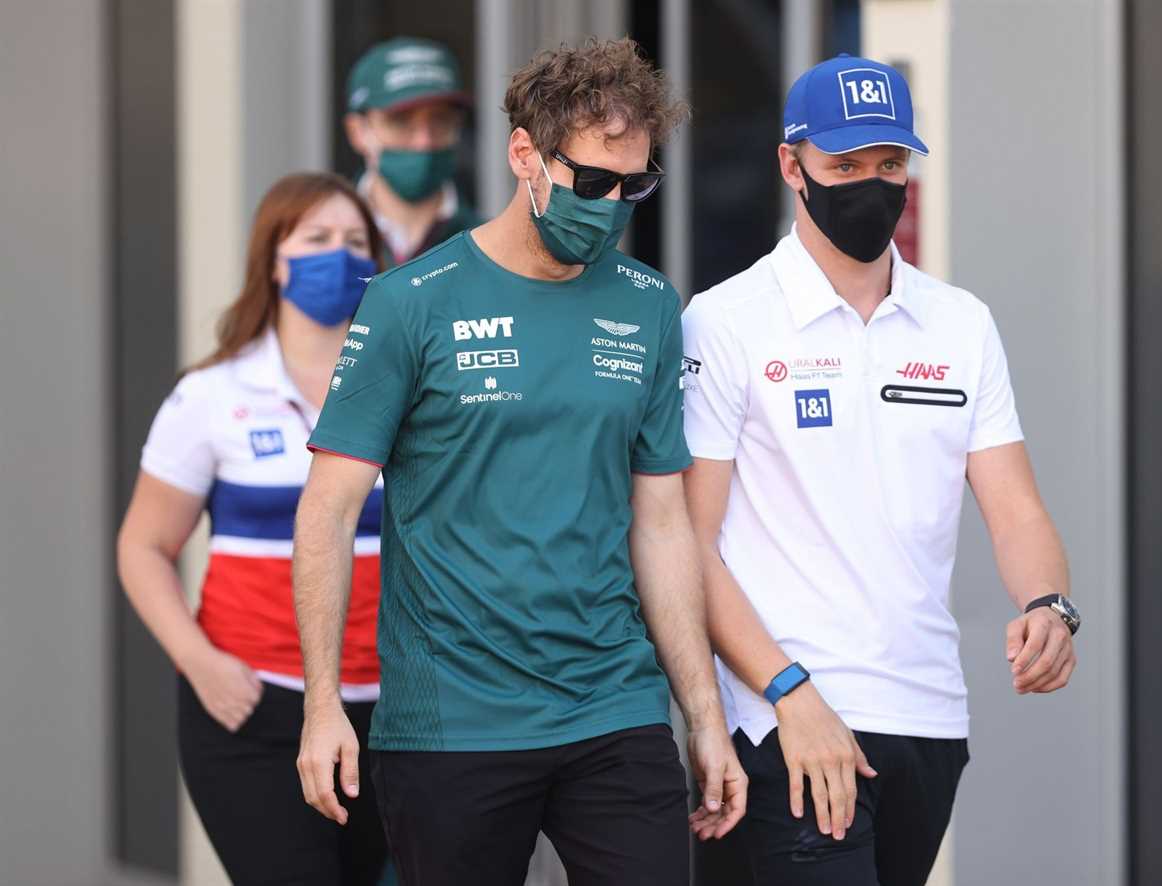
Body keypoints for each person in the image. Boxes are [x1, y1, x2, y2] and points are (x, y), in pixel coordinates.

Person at [293, 37, 747, 886]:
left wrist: (705, 716)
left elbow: (662, 525)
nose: (612, 207)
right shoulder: (407, 305)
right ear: (524, 156)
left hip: (615, 704)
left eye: (634, 186)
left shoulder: (649, 307)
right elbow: (327, 507)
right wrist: (324, 707)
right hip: (454, 722)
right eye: (593, 182)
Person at [682, 55, 1081, 886]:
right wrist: (788, 693)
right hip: (786, 720)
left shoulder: (960, 323)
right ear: (791, 166)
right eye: (845, 167)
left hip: (928, 716)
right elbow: (690, 543)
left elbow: (1016, 511)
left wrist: (1048, 604)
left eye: (889, 165)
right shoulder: (724, 323)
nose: (872, 184)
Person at [117, 173, 390, 885]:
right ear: (274, 258)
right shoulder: (211, 395)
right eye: (317, 239)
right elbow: (143, 547)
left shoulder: (406, 391)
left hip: (395, 716)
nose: (339, 254)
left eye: (355, 241)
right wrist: (199, 663)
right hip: (253, 709)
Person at [344, 37, 480, 267]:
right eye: (400, 121)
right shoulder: (325, 244)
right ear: (357, 132)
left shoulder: (489, 247)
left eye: (441, 120)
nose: (423, 141)